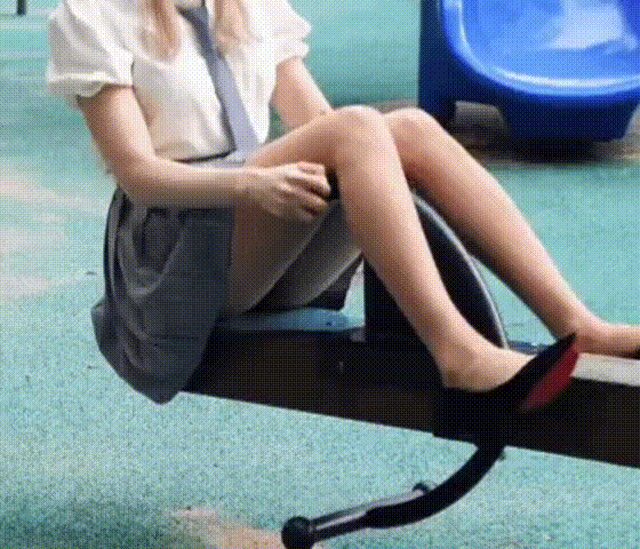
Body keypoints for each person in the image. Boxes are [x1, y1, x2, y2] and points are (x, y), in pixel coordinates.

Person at [47, 0, 639, 407]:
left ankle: (578, 325)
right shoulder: (95, 14)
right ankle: (458, 352)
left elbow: (320, 123)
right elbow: (139, 175)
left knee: (407, 129)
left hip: (263, 232)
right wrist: (250, 185)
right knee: (358, 128)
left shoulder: (248, 6)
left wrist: (375, 177)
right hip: (172, 252)